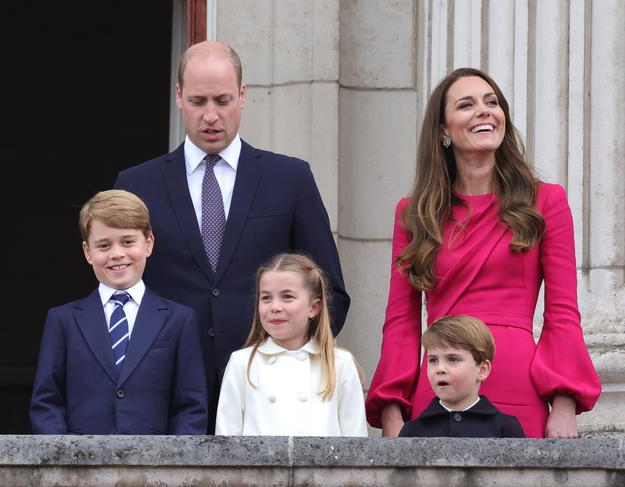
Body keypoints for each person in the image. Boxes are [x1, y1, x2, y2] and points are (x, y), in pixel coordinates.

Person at [113, 41, 349, 432]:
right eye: (198, 100)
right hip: (166, 399)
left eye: (222, 100)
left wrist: (286, 362)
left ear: (242, 96)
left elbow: (330, 293)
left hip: (271, 400)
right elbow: (118, 292)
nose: (210, 115)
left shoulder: (289, 179)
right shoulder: (137, 184)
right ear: (178, 97)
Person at [366, 67, 601, 438]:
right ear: (443, 130)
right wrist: (393, 408)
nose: (484, 111)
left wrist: (564, 402)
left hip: (517, 385)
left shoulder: (545, 201)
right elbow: (400, 321)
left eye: (492, 102)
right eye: (466, 104)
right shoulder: (413, 213)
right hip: (439, 390)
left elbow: (562, 312)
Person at [29, 190, 207, 434]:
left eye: (127, 242)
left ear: (148, 243)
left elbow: (190, 408)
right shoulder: (63, 320)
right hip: (80, 467)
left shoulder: (179, 320)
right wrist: (65, 464)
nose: (116, 254)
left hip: (155, 467)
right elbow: (46, 403)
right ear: (87, 252)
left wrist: (174, 468)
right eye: (103, 245)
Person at [215, 253, 366, 436]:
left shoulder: (340, 363)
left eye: (287, 297)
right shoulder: (242, 362)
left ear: (314, 308)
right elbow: (226, 441)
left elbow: (356, 444)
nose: (275, 307)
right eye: (266, 298)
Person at [399, 315, 525, 438]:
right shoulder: (412, 431)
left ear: (482, 370)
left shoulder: (506, 428)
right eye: (433, 360)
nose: (440, 369)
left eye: (453, 359)